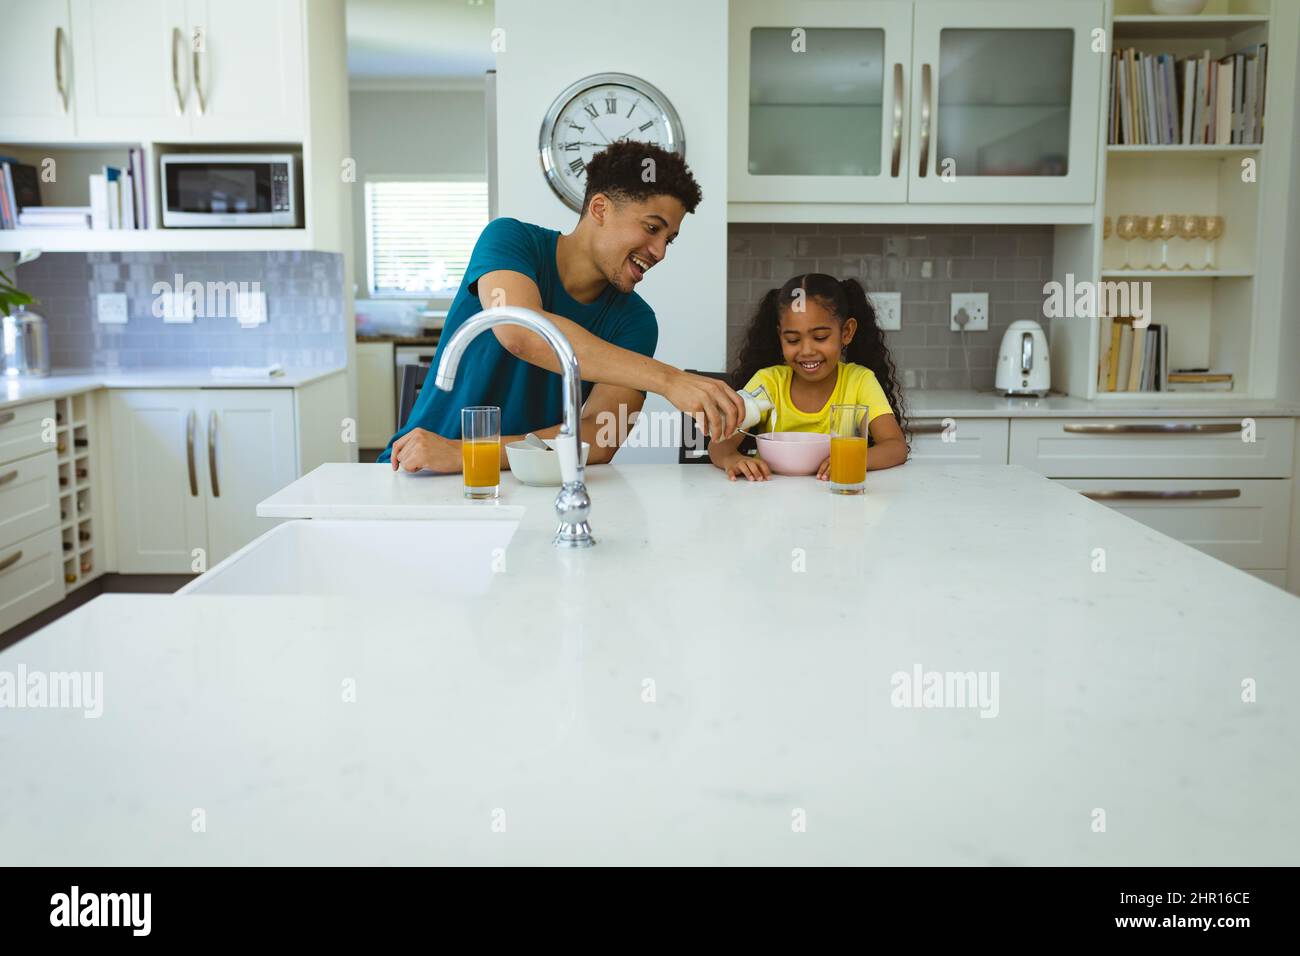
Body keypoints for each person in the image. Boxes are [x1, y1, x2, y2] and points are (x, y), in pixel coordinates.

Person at [379, 142, 744, 471]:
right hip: (416, 469)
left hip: (526, 484)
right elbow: (520, 331)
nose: (660, 251)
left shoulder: (636, 321)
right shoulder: (511, 240)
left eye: (670, 239)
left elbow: (600, 438)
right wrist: (670, 380)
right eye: (652, 228)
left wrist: (469, 453)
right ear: (600, 208)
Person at [708, 273, 909, 481]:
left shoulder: (859, 381)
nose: (806, 350)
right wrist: (731, 459)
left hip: (836, 503)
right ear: (780, 337)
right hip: (771, 503)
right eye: (793, 340)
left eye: (820, 337)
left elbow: (895, 446)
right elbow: (719, 446)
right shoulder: (768, 383)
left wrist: (854, 458)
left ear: (846, 332)